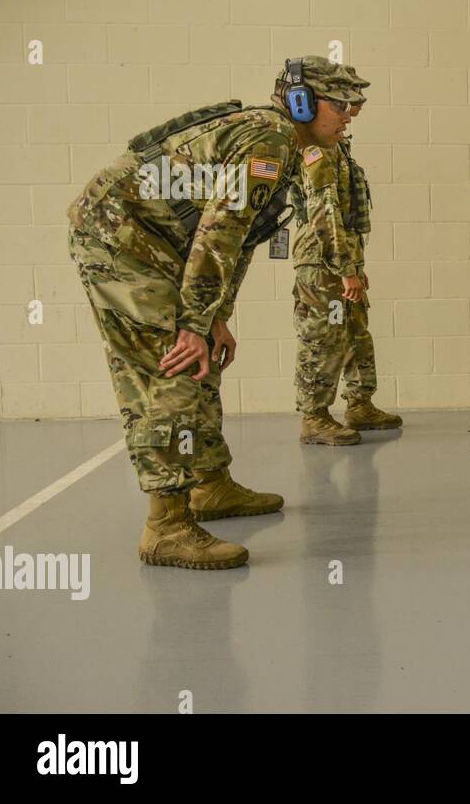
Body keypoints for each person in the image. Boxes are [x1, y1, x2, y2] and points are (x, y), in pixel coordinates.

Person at [67, 57, 350, 569]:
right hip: (121, 239)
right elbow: (220, 232)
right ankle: (166, 526)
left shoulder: (281, 142)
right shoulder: (271, 140)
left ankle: (208, 486)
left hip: (159, 244)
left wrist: (213, 318)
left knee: (204, 356)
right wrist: (192, 324)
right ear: (304, 102)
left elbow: (237, 239)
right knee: (169, 366)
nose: (350, 114)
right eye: (341, 103)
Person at [289, 62, 402, 445]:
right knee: (323, 339)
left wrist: (354, 265)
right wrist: (344, 269)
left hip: (341, 260)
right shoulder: (315, 154)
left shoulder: (335, 148)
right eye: (340, 105)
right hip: (321, 263)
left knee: (355, 334)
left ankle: (359, 404)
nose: (349, 115)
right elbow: (325, 215)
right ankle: (314, 417)